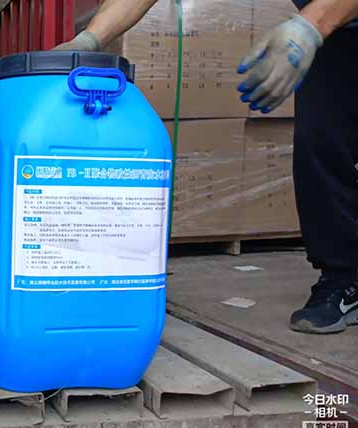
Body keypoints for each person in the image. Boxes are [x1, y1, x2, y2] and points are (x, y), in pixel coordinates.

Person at [55, 0, 358, 334]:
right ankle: (343, 278)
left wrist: (308, 26)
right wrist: (90, 39)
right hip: (339, 32)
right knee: (320, 138)